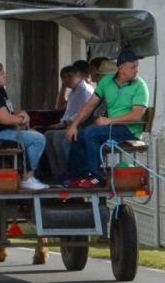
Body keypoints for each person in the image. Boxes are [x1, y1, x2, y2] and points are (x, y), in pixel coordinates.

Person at [64, 49, 150, 187]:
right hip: (111, 127)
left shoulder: (140, 86)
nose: (136, 70)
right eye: (132, 67)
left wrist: (109, 121)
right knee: (77, 134)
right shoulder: (106, 82)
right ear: (121, 69)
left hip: (129, 130)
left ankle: (96, 177)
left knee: (91, 133)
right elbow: (90, 105)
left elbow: (136, 116)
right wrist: (74, 125)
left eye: (137, 66)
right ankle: (76, 177)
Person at [0, 61, 49, 190]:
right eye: (1, 74)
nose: (5, 76)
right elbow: (6, 119)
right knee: (38, 139)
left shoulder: (0, 91)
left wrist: (21, 113)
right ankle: (27, 177)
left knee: (35, 135)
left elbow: (10, 110)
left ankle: (27, 176)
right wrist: (22, 120)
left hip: (1, 133)